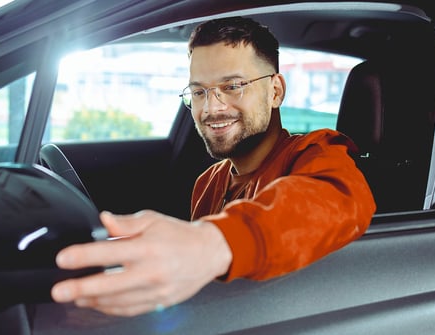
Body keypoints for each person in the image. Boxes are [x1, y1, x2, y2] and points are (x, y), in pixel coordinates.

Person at [50, 16, 376, 317]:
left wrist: (209, 243)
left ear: (275, 91)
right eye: (199, 91)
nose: (211, 108)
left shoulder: (312, 152)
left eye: (232, 86)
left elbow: (339, 197)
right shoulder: (208, 181)